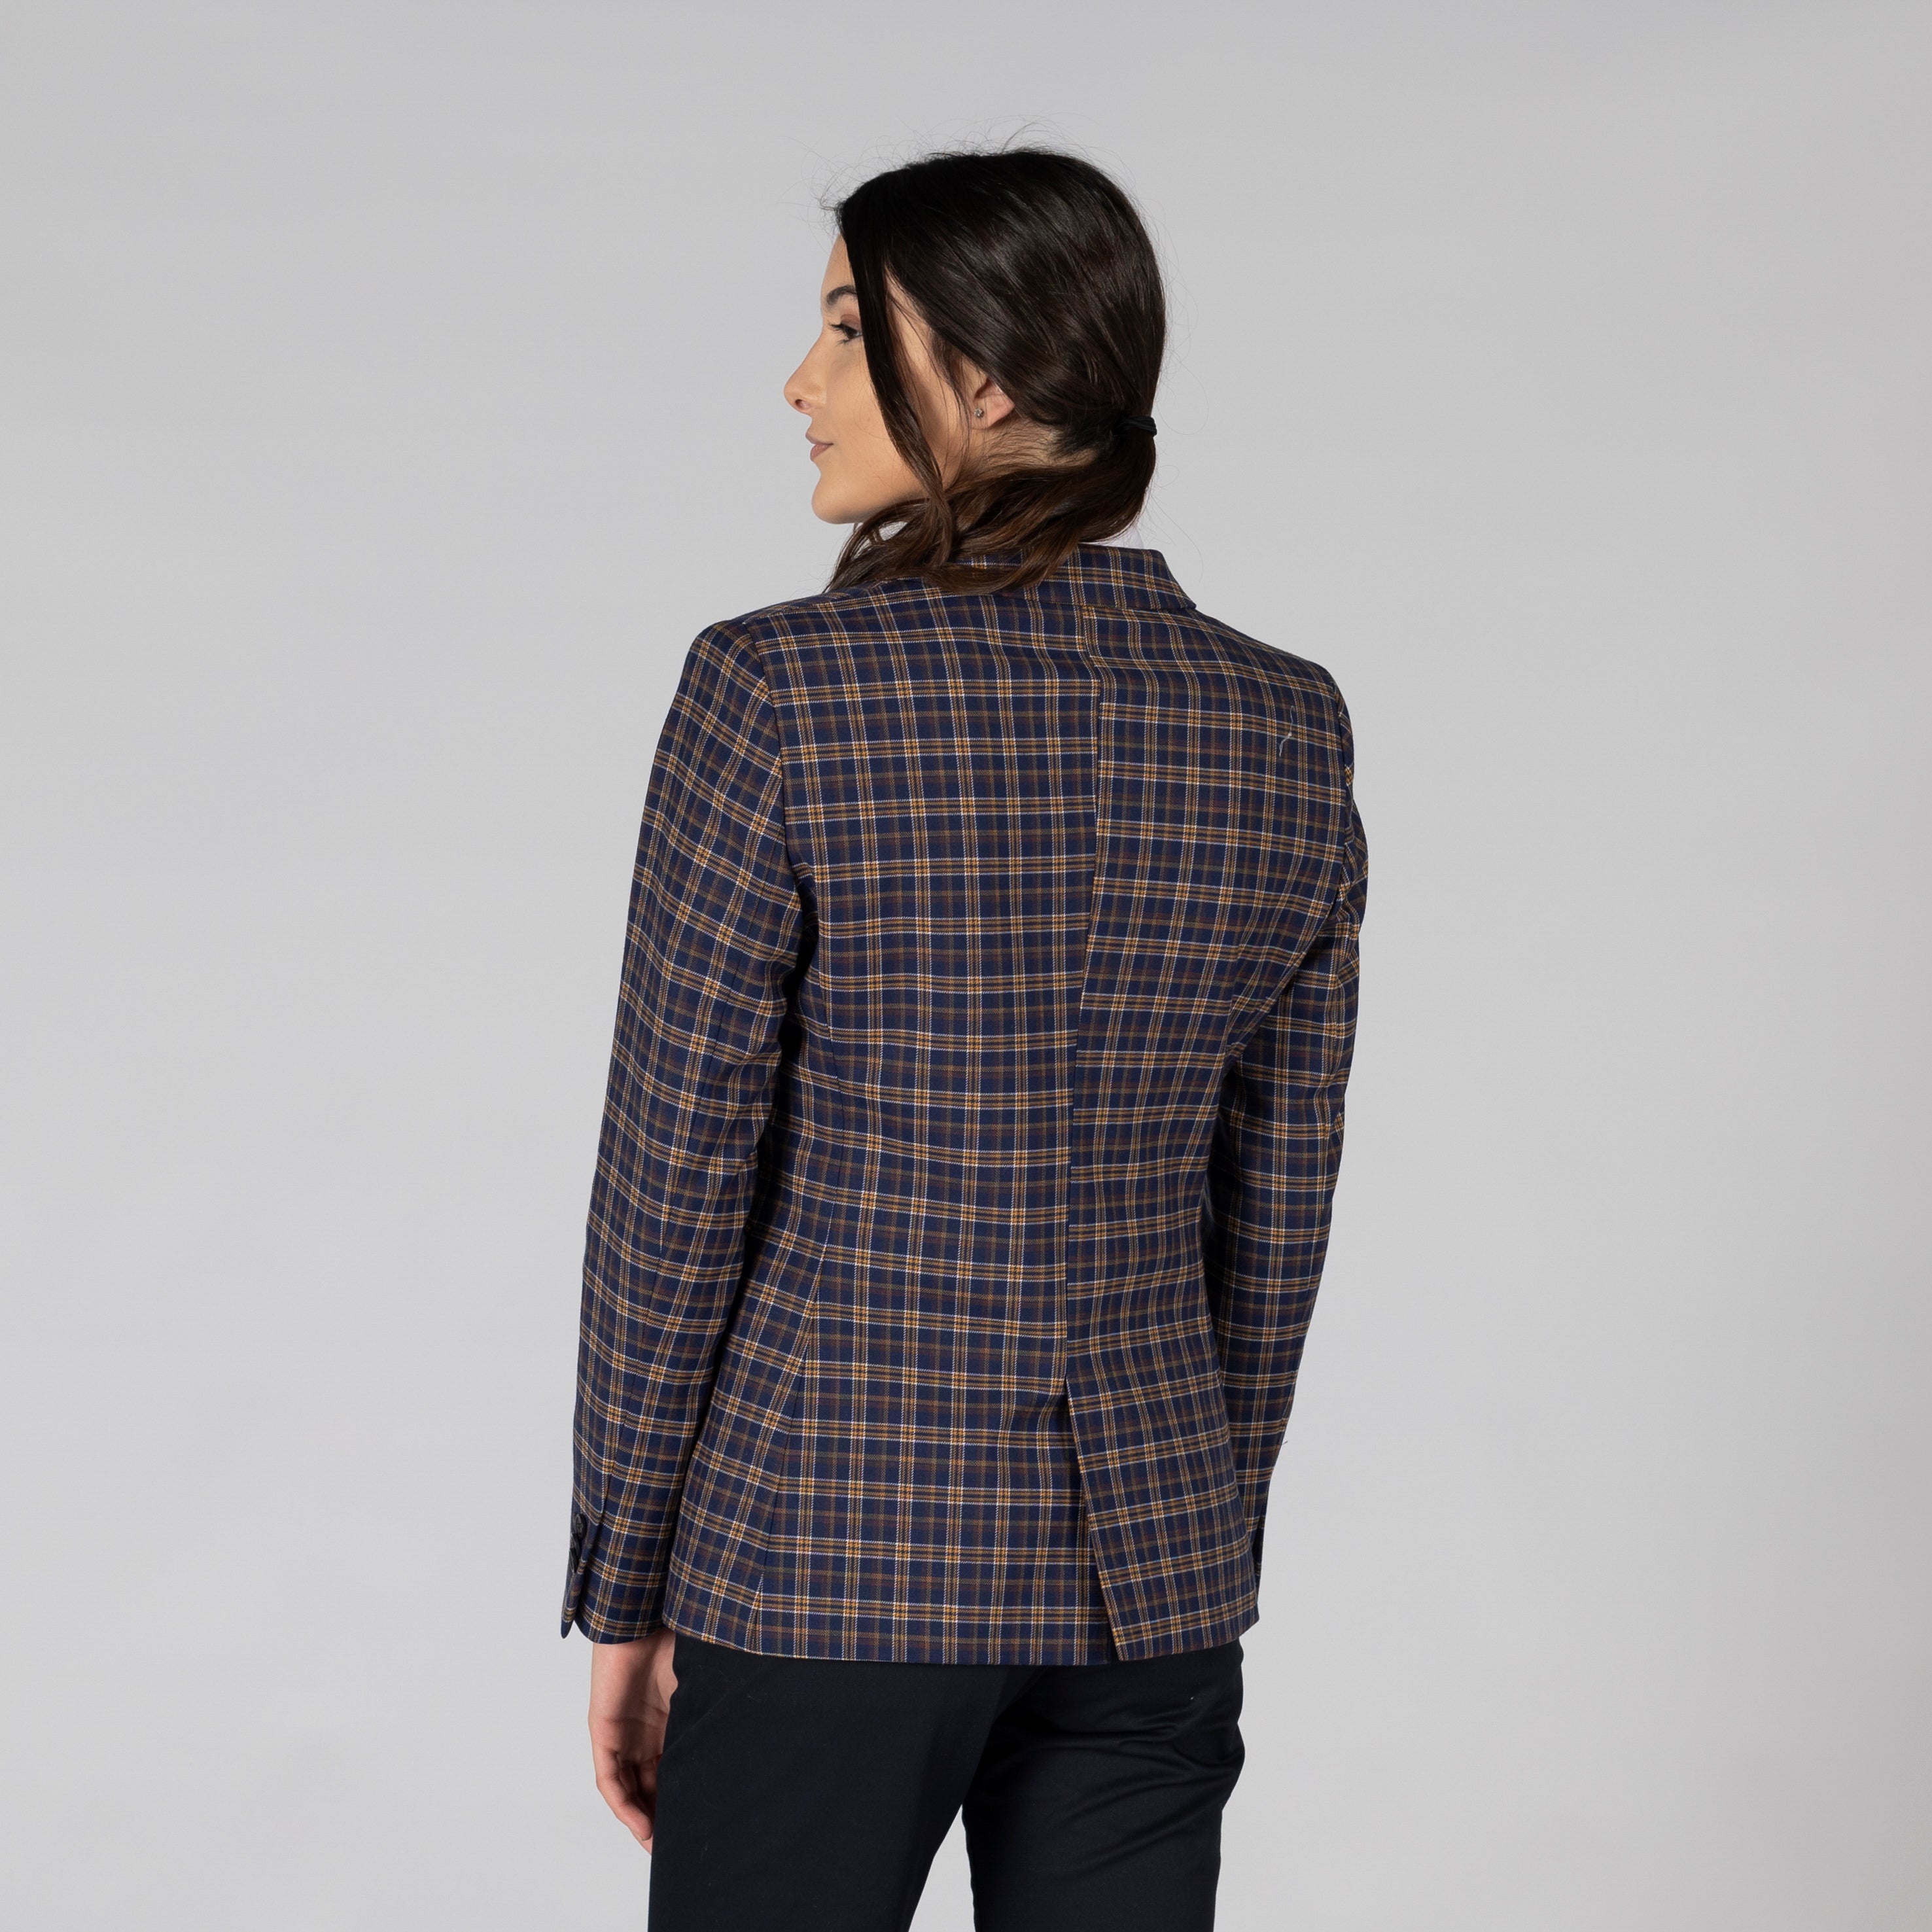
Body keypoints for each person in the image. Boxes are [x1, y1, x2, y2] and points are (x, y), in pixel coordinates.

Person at [562, 145, 1367, 1931]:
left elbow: (674, 1171)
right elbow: (1279, 1199)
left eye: (849, 329)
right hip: (1151, 1580)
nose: (799, 379)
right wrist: (1194, 1524)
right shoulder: (1286, 723)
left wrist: (625, 1580)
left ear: (989, 381)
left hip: (823, 1560)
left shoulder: (775, 689)